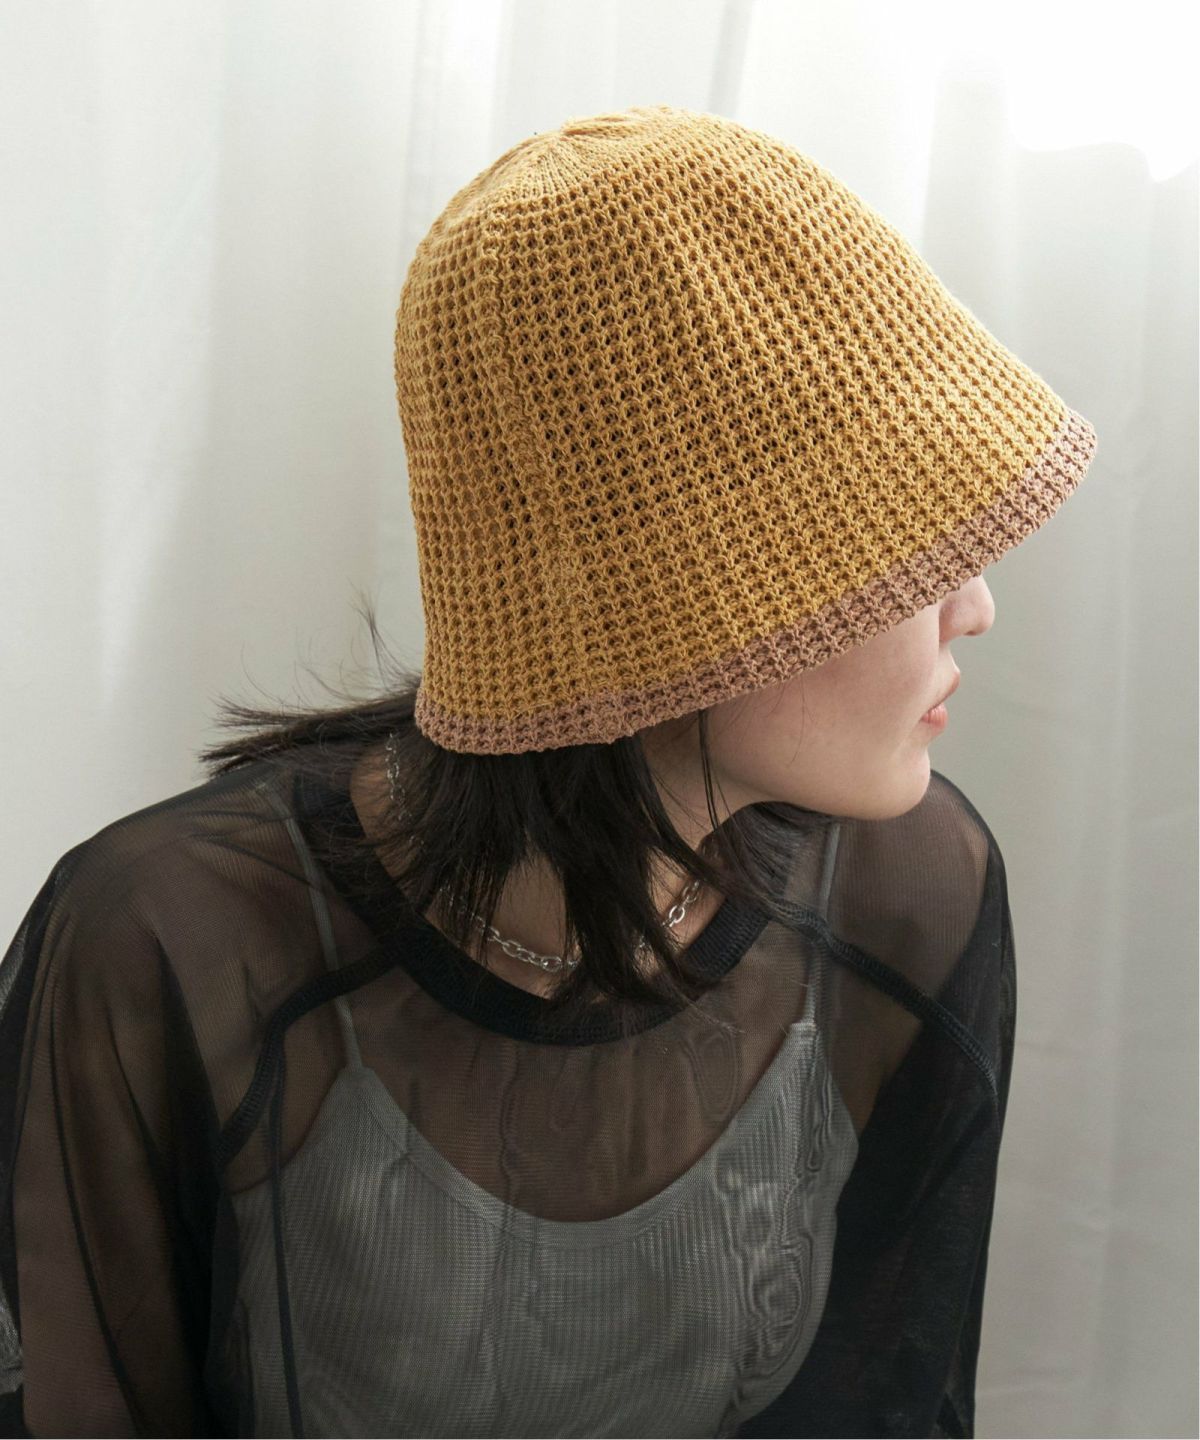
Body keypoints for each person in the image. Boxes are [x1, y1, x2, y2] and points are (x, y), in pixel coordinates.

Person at [0, 105, 1097, 1438]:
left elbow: (890, 1409)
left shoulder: (910, 894)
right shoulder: (171, 942)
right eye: (914, 547)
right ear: (697, 591)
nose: (976, 606)